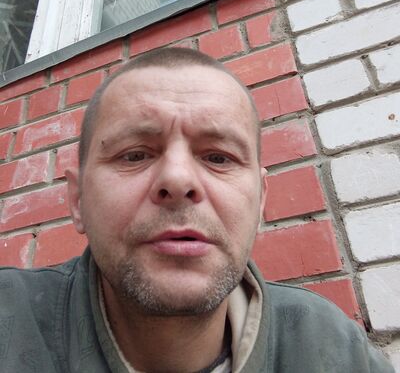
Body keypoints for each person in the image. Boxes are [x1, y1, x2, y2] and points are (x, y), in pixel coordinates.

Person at [0, 47, 394, 373]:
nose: (177, 179)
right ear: (77, 200)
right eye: (134, 154)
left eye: (218, 158)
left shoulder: (335, 349)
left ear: (260, 201)